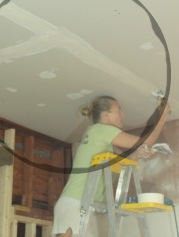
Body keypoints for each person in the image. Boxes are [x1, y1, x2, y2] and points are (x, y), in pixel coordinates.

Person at [52, 96, 171, 237]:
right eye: (118, 110)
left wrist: (138, 154)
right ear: (106, 115)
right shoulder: (102, 130)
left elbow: (121, 163)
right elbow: (147, 142)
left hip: (76, 203)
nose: (123, 115)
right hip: (76, 203)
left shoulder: (98, 136)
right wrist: (163, 115)